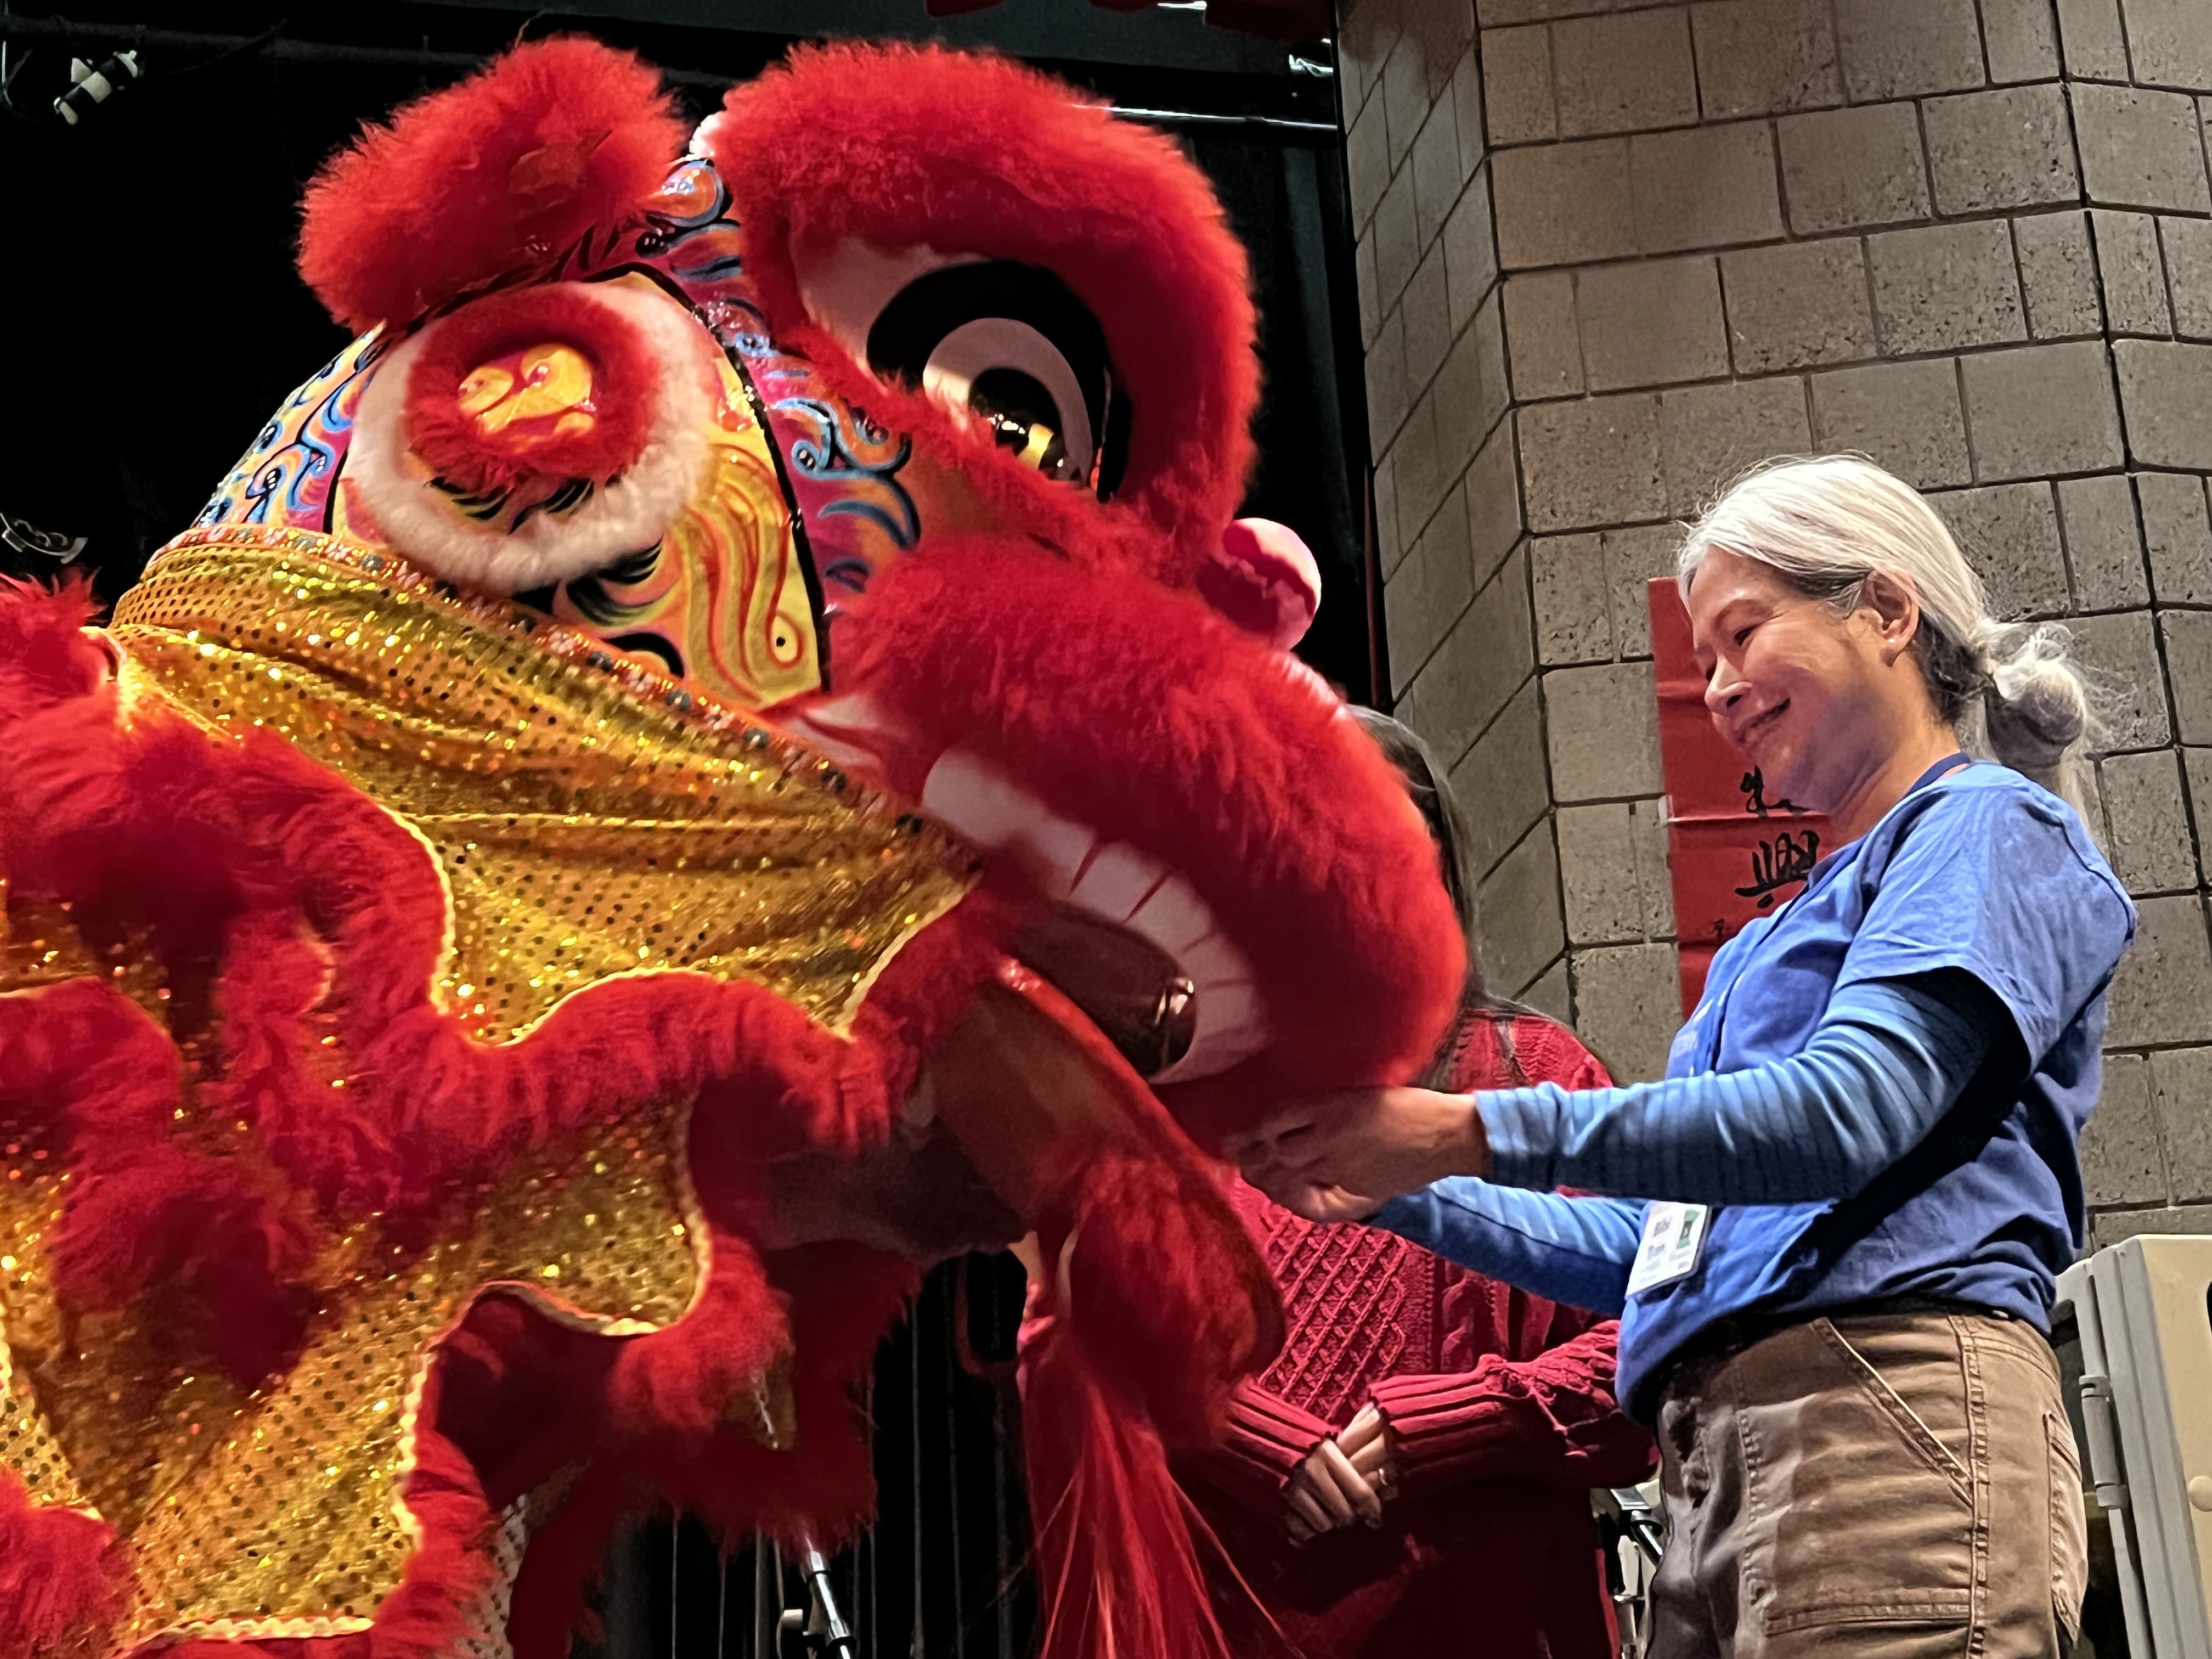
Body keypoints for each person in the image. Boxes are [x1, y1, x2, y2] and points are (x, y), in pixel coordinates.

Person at [1240, 456, 2136, 1658]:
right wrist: (1399, 1187)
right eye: (1700, 657)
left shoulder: (1981, 823)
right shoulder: (1771, 935)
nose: (1714, 688)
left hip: (1885, 1412)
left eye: (1743, 633)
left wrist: (1467, 1129)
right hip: (1725, 1460)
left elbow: (1846, 1114)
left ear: (1886, 608)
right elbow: (1662, 1252)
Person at [1175, 710, 1656, 1659]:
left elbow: (1658, 1341)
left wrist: (1448, 1426)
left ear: (1433, 847)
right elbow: (1079, 1345)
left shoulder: (1537, 1077)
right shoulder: (1187, 1108)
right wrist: (1252, 1439)